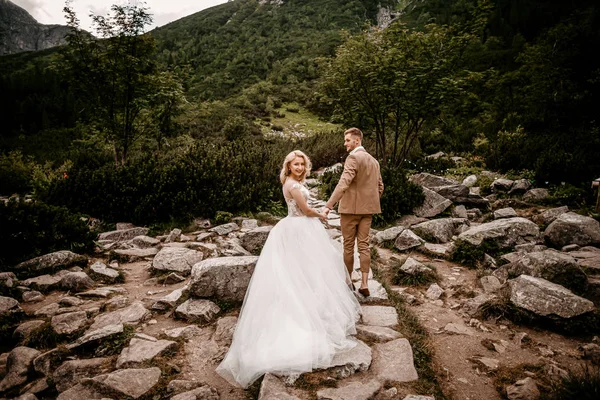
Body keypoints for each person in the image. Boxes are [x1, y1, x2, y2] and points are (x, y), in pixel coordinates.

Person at [216, 150, 361, 389]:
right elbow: (304, 210)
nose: (301, 167)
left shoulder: (294, 182)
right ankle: (302, 317)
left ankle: (312, 308)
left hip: (298, 229)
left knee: (305, 273)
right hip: (298, 229)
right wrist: (322, 214)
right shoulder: (293, 186)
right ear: (289, 166)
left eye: (303, 164)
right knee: (299, 273)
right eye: (296, 164)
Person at [323, 128, 384, 297]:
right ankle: (364, 283)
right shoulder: (374, 161)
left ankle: (348, 282)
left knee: (348, 247)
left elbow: (343, 183)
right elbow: (380, 187)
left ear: (357, 141)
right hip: (368, 211)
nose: (345, 143)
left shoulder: (353, 158)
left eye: (347, 140)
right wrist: (369, 203)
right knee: (364, 246)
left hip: (349, 210)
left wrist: (329, 205)